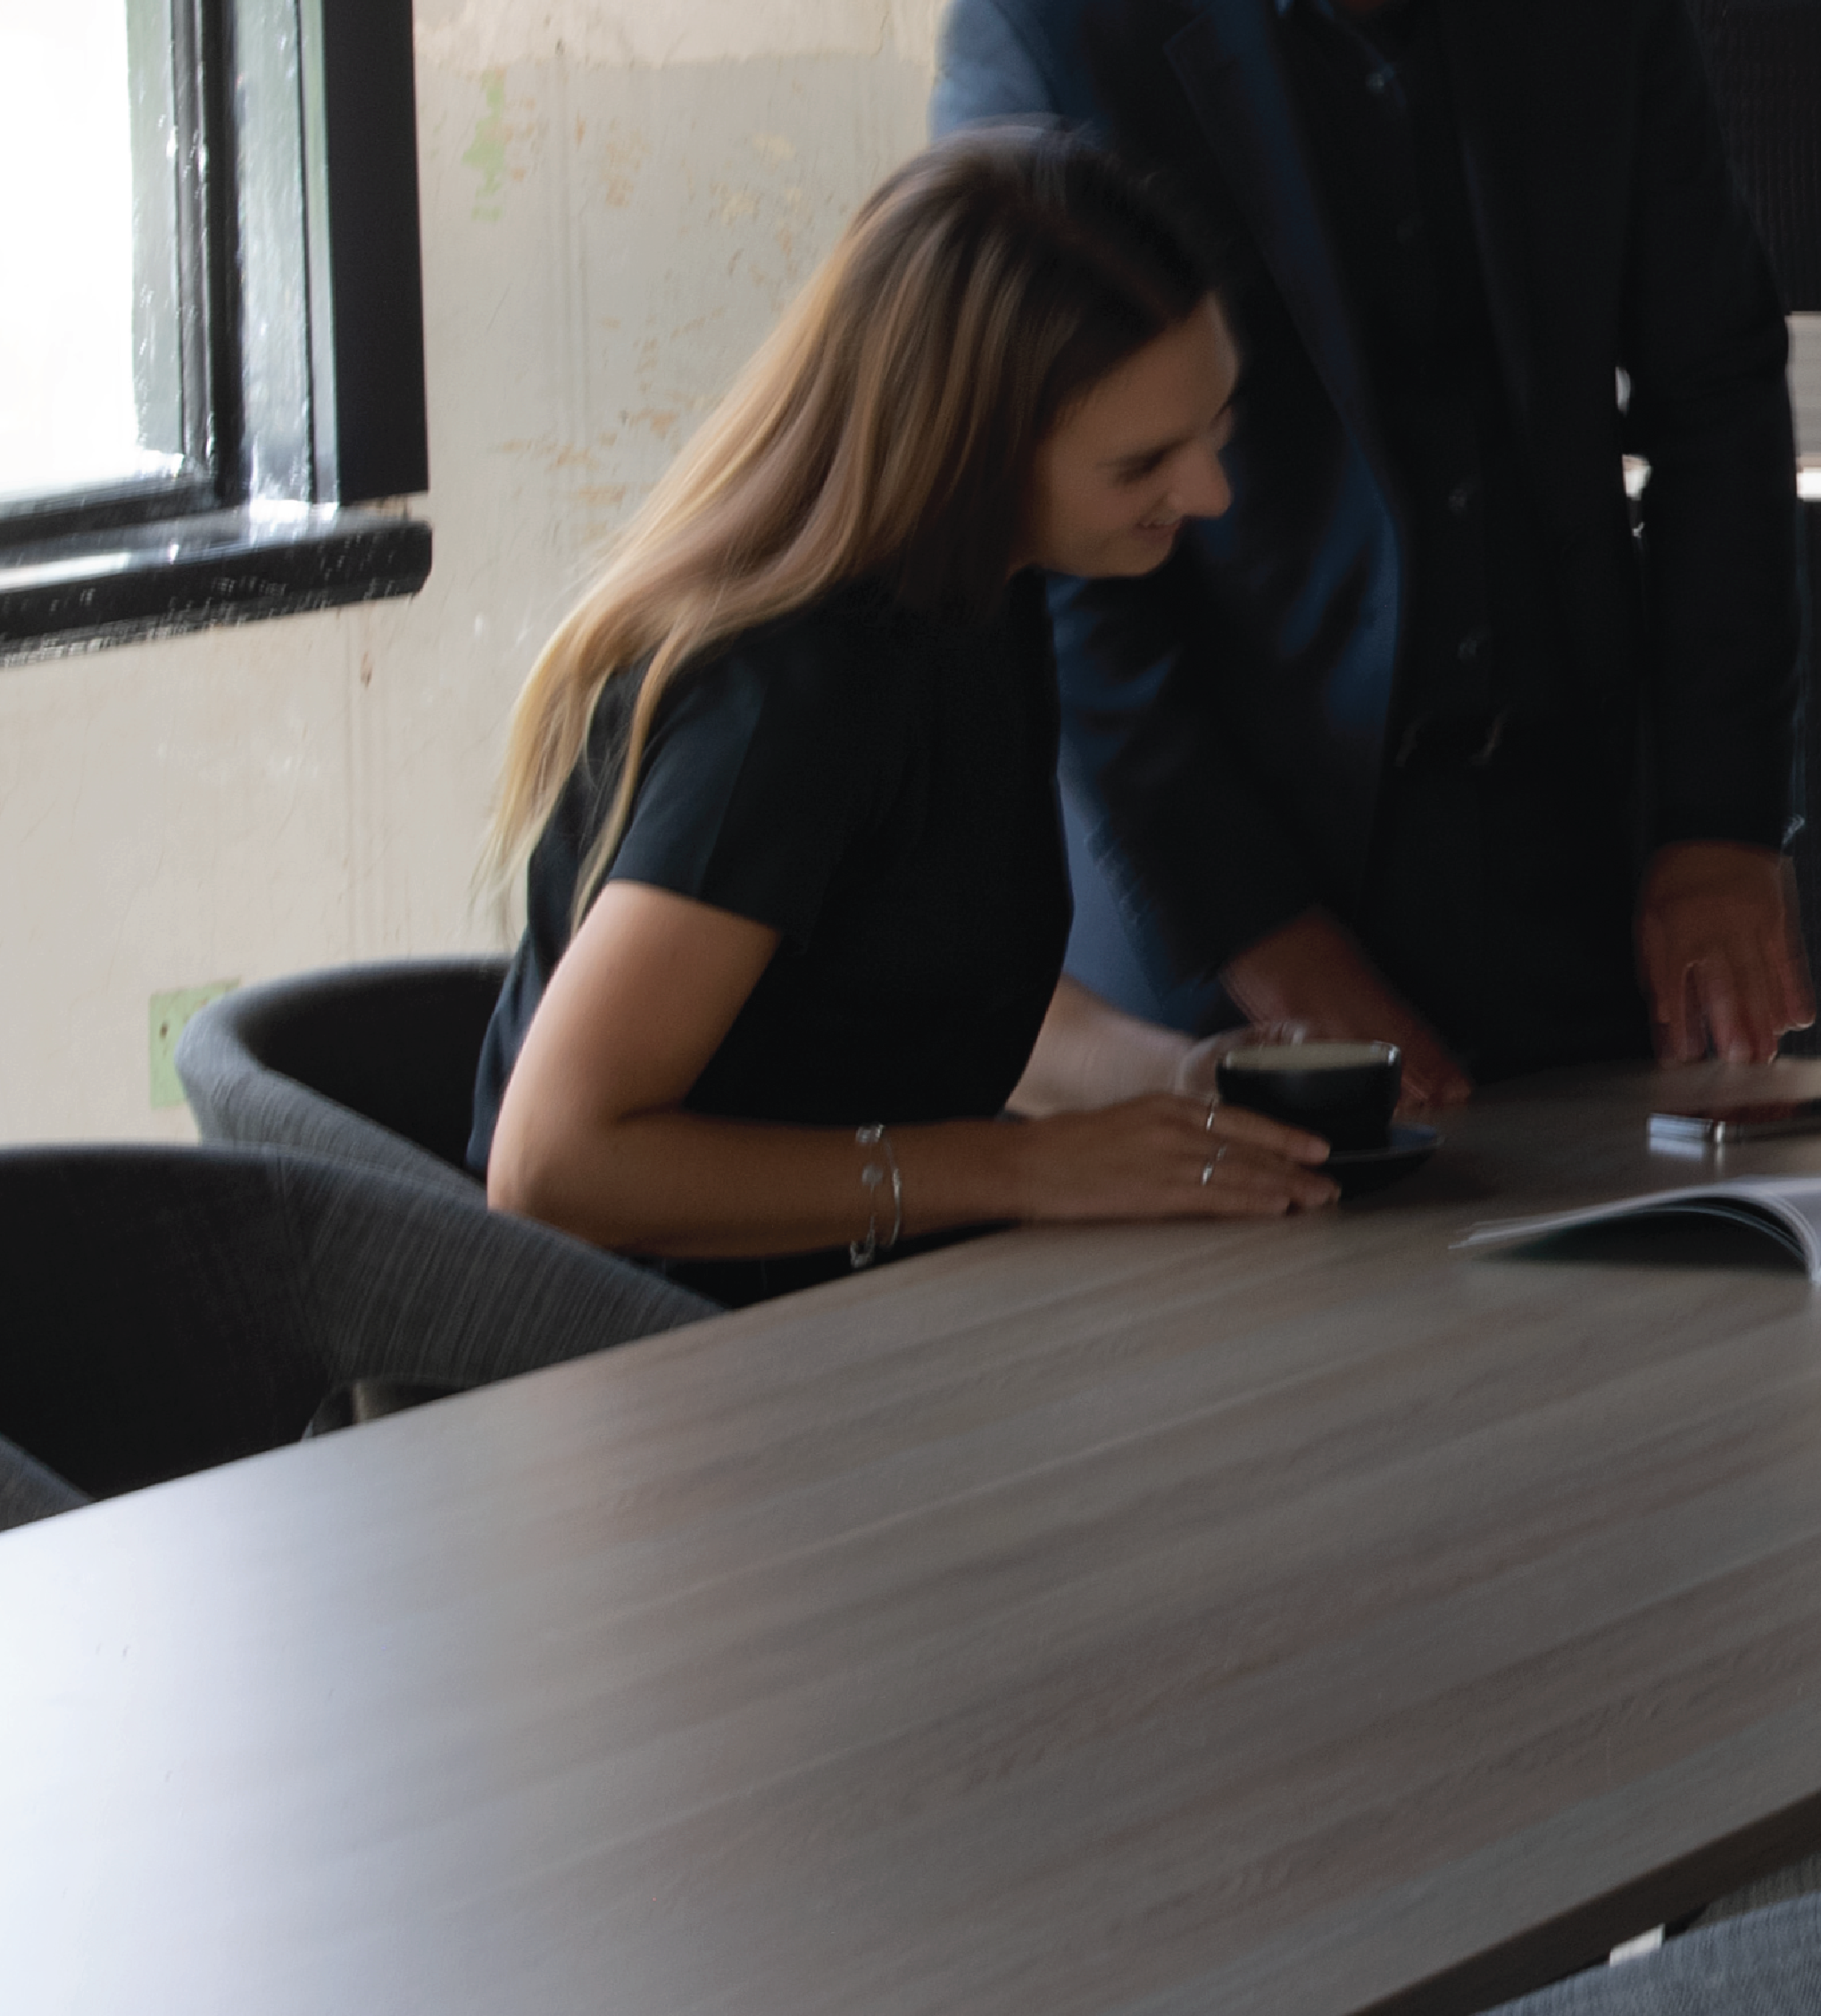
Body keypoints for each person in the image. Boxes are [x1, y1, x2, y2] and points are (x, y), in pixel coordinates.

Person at [932, 0, 1809, 1113]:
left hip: (1581, 845)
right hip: (1240, 874)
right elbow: (1055, 558)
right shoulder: (1055, 42)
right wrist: (1262, 934)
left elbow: (1718, 393)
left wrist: (1718, 820)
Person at [478, 131, 1344, 1296]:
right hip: (663, 1368)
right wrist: (1024, 1169)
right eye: (1142, 464)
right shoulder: (787, 699)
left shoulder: (985, 597)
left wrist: (1175, 1081)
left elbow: (906, 989)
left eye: (1215, 426)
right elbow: (555, 1165)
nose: (1209, 492)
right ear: (974, 452)